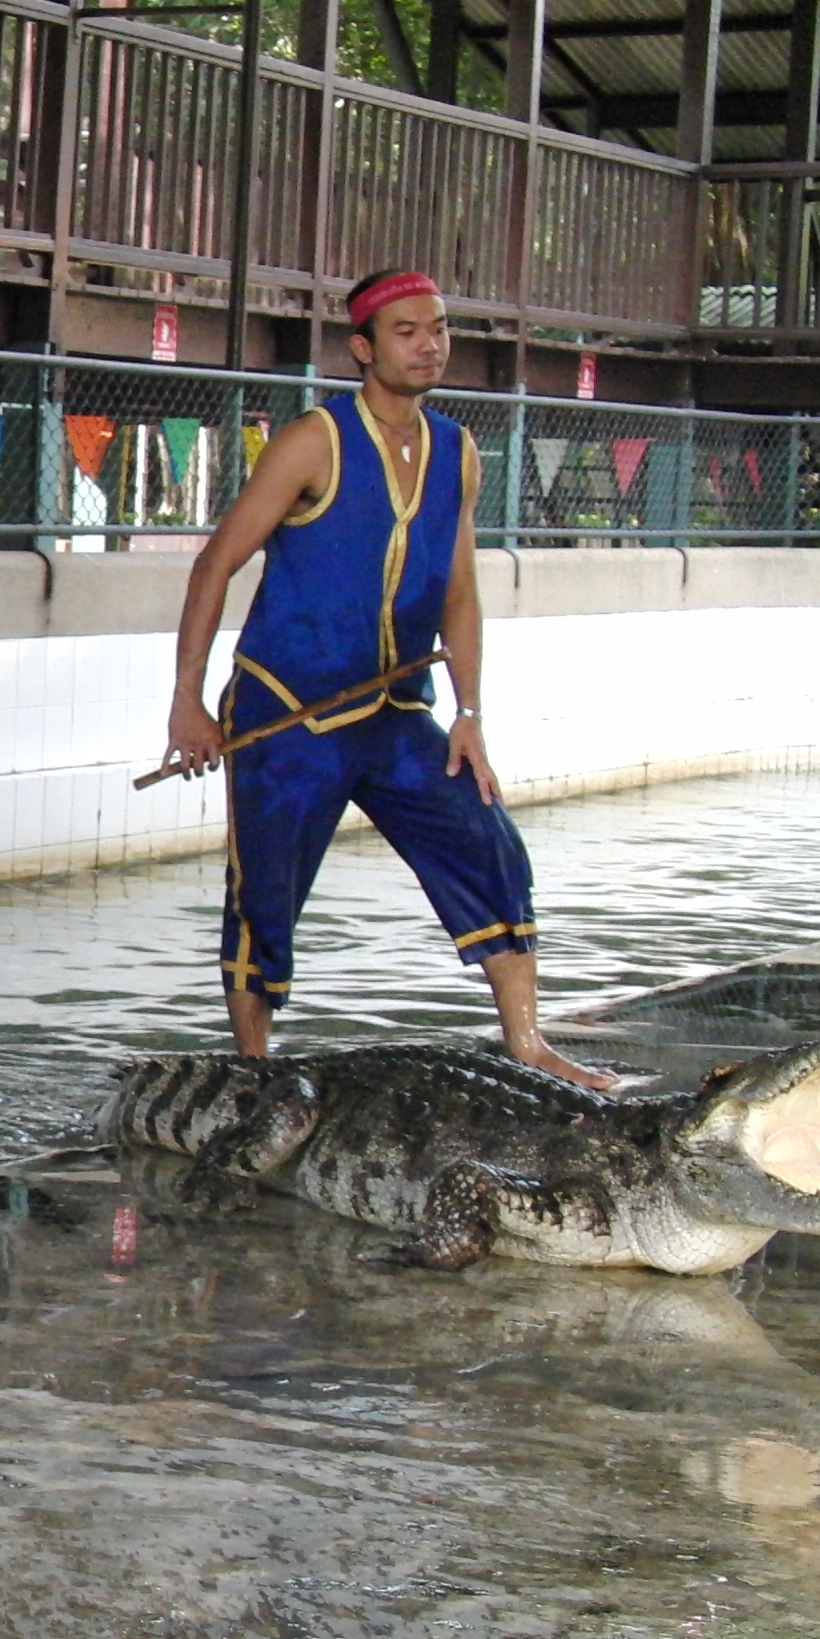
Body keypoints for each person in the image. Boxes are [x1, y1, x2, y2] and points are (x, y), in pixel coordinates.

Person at [160, 266, 612, 1091]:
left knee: (487, 839)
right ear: (364, 348)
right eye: (407, 331)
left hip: (397, 710)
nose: (429, 344)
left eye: (437, 328)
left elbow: (461, 593)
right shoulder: (313, 441)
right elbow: (216, 564)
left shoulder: (458, 451)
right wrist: (187, 702)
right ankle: (256, 1071)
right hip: (288, 707)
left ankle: (528, 1041)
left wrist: (470, 712)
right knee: (265, 892)